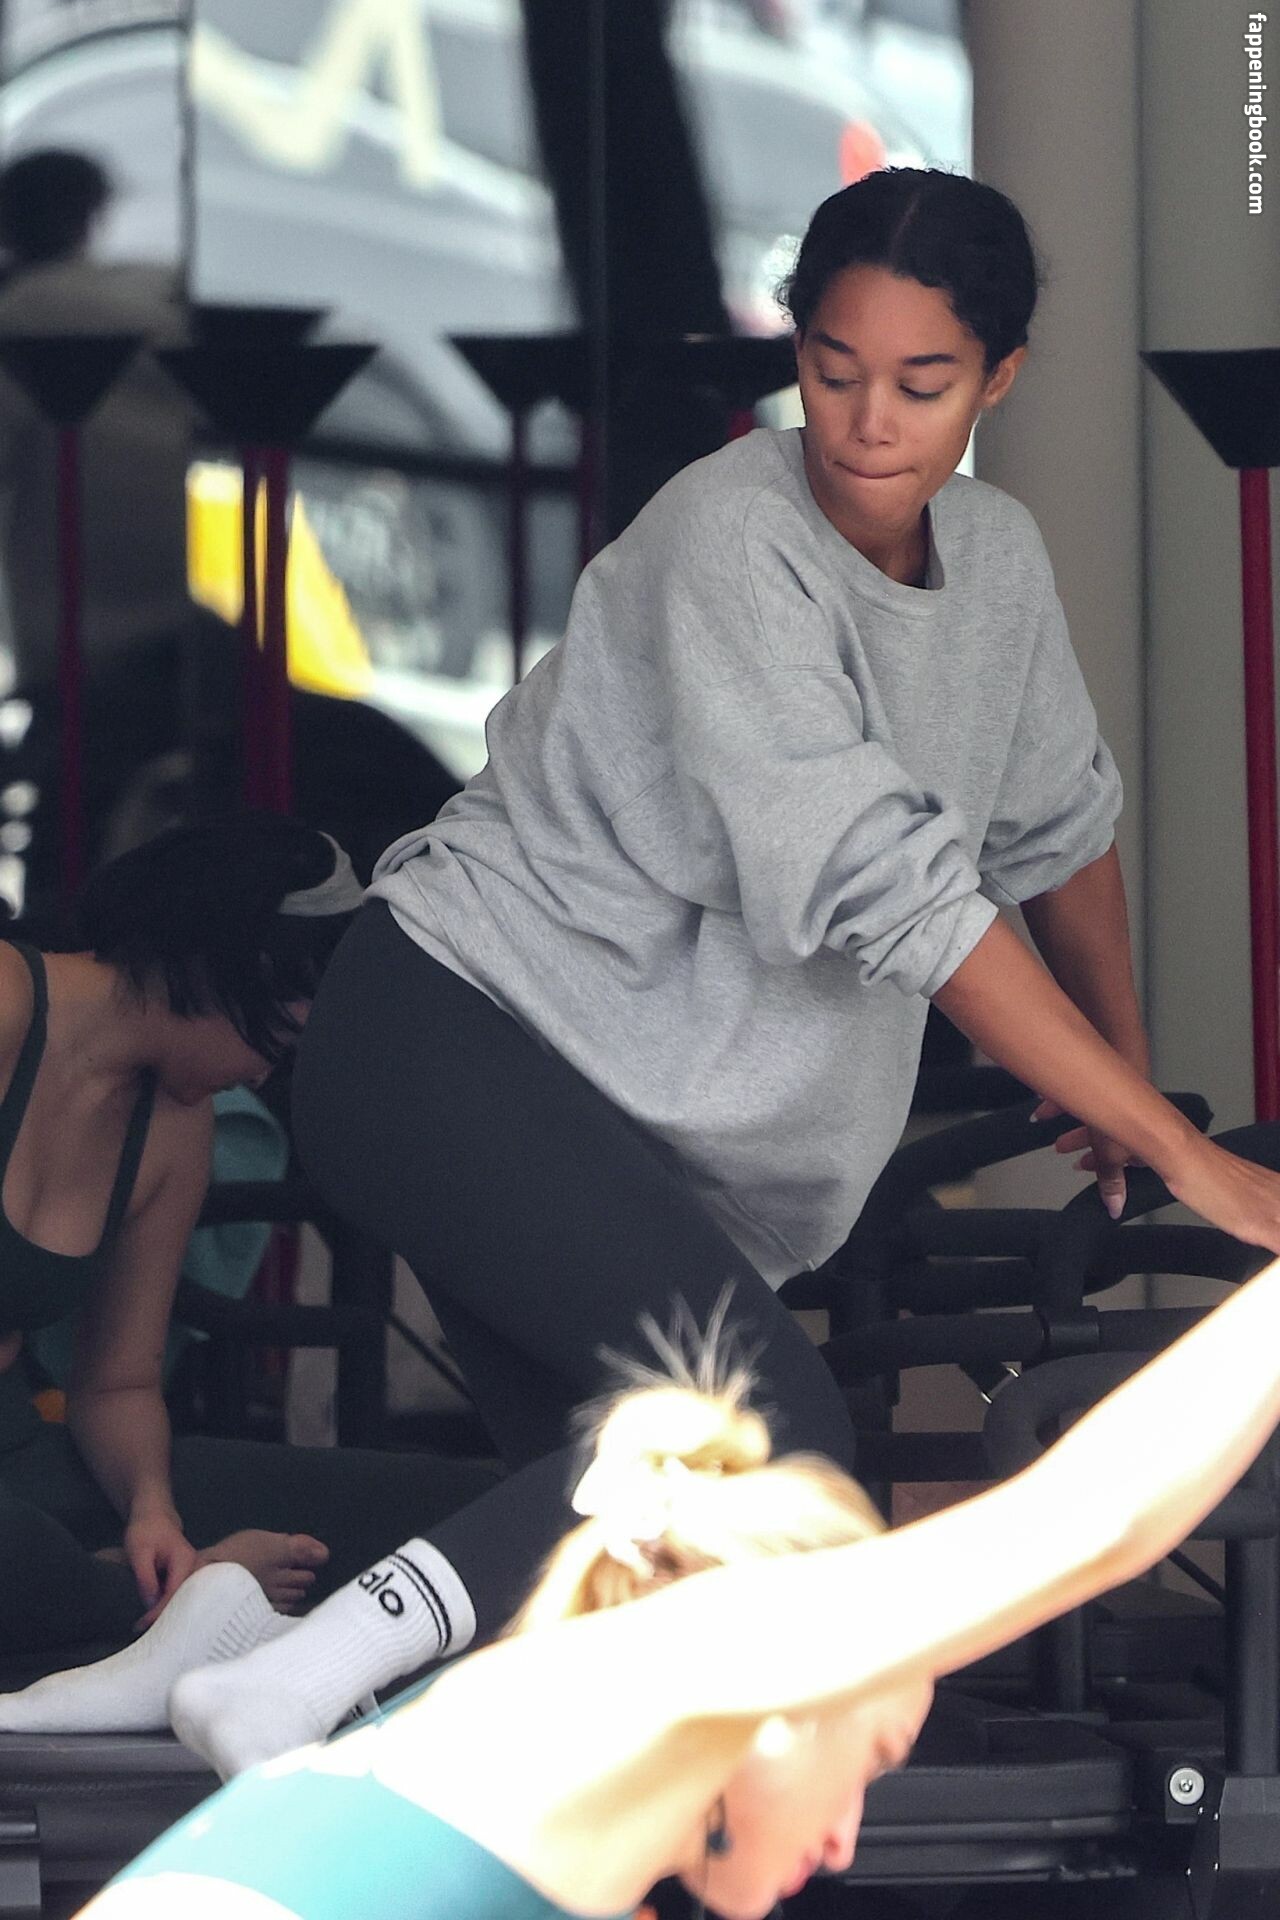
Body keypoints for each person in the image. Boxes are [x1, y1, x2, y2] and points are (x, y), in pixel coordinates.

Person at [157, 165, 1280, 1764]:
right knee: (758, 1443)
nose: (866, 424)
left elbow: (1055, 832)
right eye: (833, 368)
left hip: (616, 1122)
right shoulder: (733, 537)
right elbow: (902, 894)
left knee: (646, 1553)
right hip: (455, 1039)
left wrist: (1123, 1081)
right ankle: (277, 1694)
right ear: (795, 348)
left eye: (922, 384)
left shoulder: (999, 561)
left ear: (1001, 379)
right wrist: (1178, 1150)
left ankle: (232, 1630)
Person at [83, 1254, 1280, 1920]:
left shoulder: (532, 1740)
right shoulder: (651, 1690)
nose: (846, 1840)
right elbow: (1092, 1517)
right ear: (781, 1687)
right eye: (864, 1761)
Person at [0, 814, 495, 1680]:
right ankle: (163, 1599)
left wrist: (152, 1512)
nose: (267, 1075)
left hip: (22, 1460)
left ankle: (155, 1592)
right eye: (282, 1041)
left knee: (444, 1512)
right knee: (29, 1560)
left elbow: (115, 1384)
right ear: (237, 967)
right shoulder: (8, 1001)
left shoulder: (174, 1127)